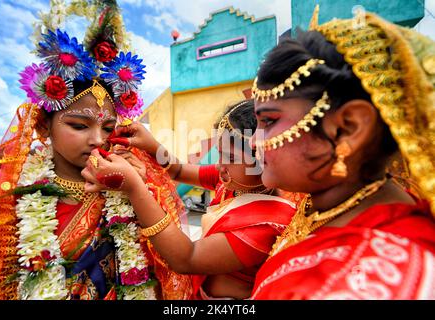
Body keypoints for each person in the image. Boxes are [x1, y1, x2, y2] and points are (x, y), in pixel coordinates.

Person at [0, 1, 191, 300]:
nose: (98, 139)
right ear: (44, 126)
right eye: (80, 126)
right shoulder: (3, 191)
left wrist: (143, 188)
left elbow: (170, 266)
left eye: (108, 128)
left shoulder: (130, 181)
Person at [249, 9, 435, 299]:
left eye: (269, 121)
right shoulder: (333, 207)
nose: (254, 143)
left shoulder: (356, 284)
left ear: (347, 128)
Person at [82, 100, 297, 299]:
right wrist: (151, 144)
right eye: (219, 153)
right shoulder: (233, 181)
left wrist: (134, 187)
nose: (220, 165)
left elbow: (187, 258)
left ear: (266, 160)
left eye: (231, 158)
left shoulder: (269, 224)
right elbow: (178, 170)